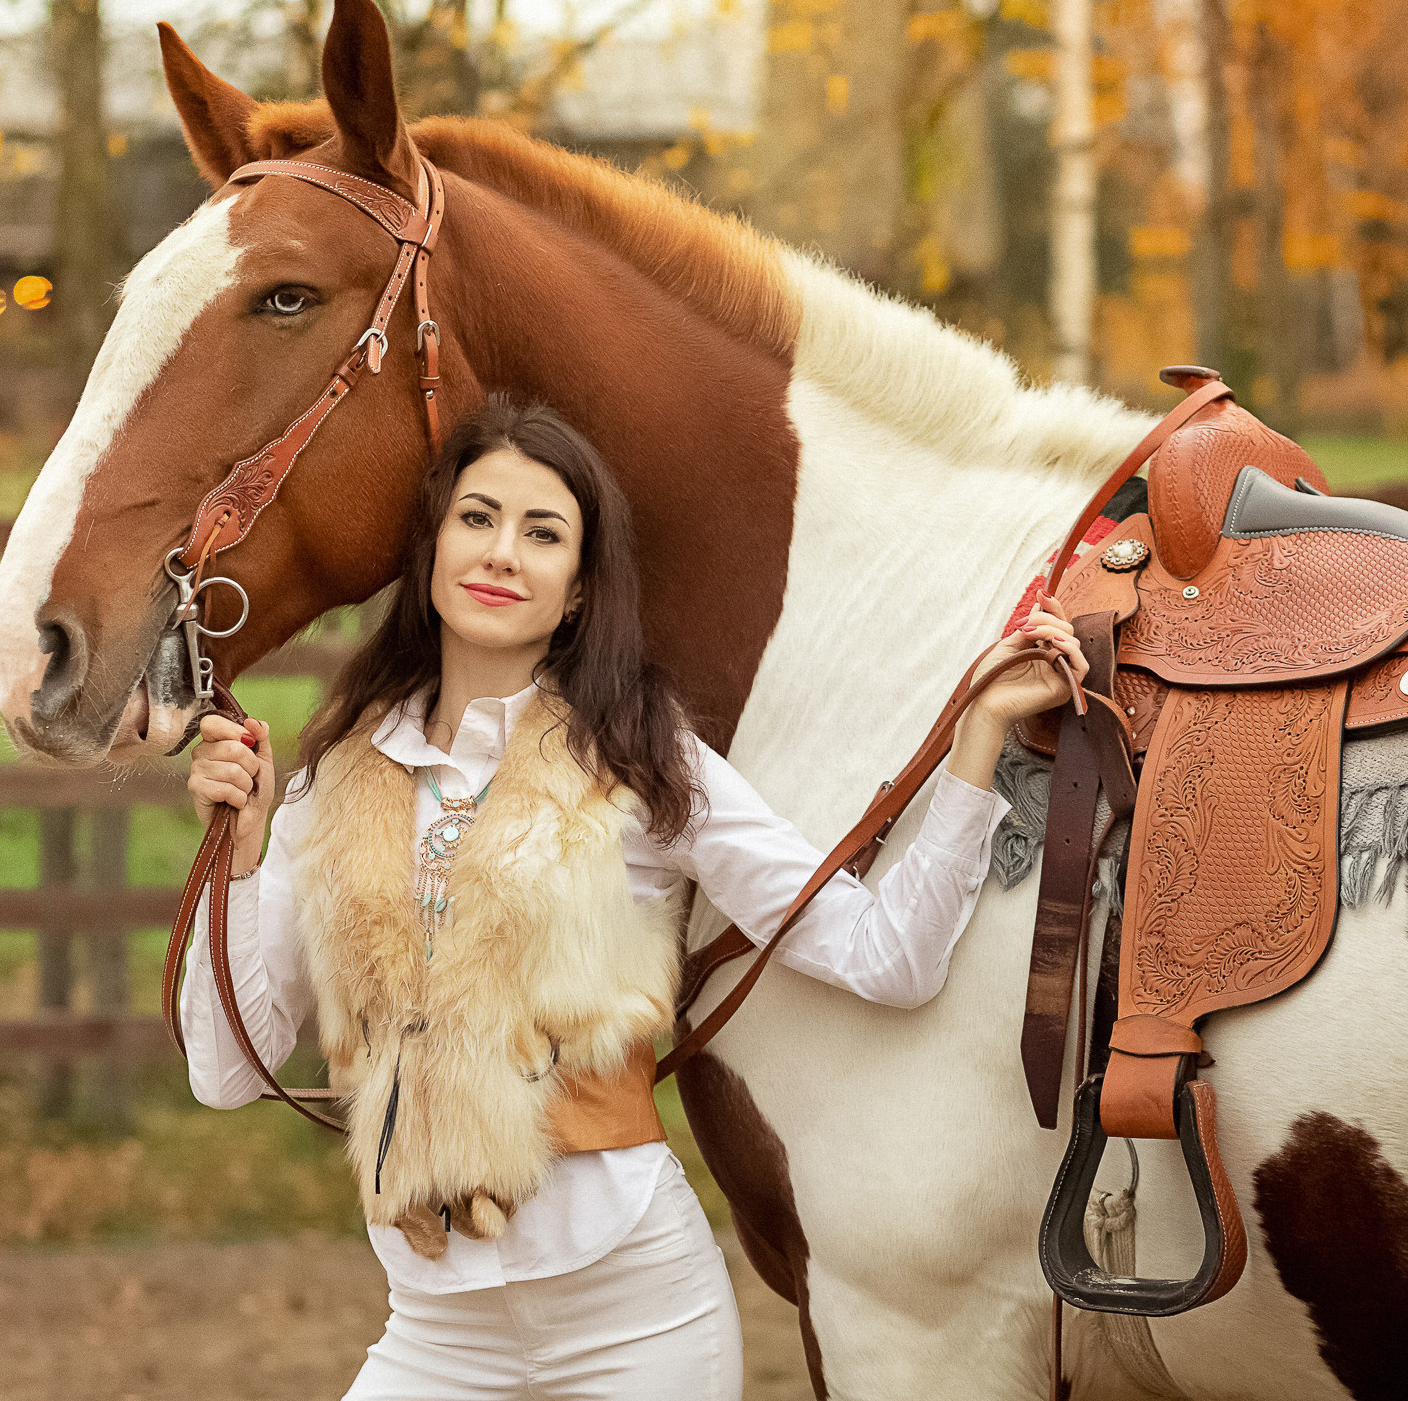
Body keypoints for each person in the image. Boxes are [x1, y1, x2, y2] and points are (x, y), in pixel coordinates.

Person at [181, 396, 1087, 1400]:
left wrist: (976, 747)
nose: (502, 553)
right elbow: (229, 1069)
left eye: (543, 533)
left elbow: (887, 958)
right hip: (433, 1331)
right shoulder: (332, 785)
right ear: (430, 549)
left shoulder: (648, 764)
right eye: (476, 518)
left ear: (576, 590)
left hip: (634, 1317)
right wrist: (246, 852)